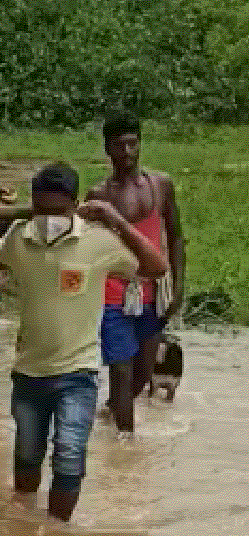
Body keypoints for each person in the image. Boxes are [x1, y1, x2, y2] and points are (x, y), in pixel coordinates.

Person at [0, 162, 167, 522]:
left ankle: (57, 532)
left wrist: (118, 222)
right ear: (33, 206)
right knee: (27, 456)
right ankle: (27, 528)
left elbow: (156, 266)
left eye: (57, 211)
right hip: (29, 373)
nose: (48, 219)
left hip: (78, 374)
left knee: (69, 452)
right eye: (41, 210)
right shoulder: (20, 236)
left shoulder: (98, 241)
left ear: (75, 205)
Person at [86, 112, 185, 436]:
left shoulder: (161, 185)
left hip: (153, 290)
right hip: (114, 291)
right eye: (119, 145)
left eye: (133, 143)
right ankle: (125, 447)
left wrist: (179, 286)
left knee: (142, 374)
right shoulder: (98, 196)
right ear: (107, 149)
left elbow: (175, 234)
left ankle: (112, 410)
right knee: (122, 369)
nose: (127, 152)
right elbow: (87, 250)